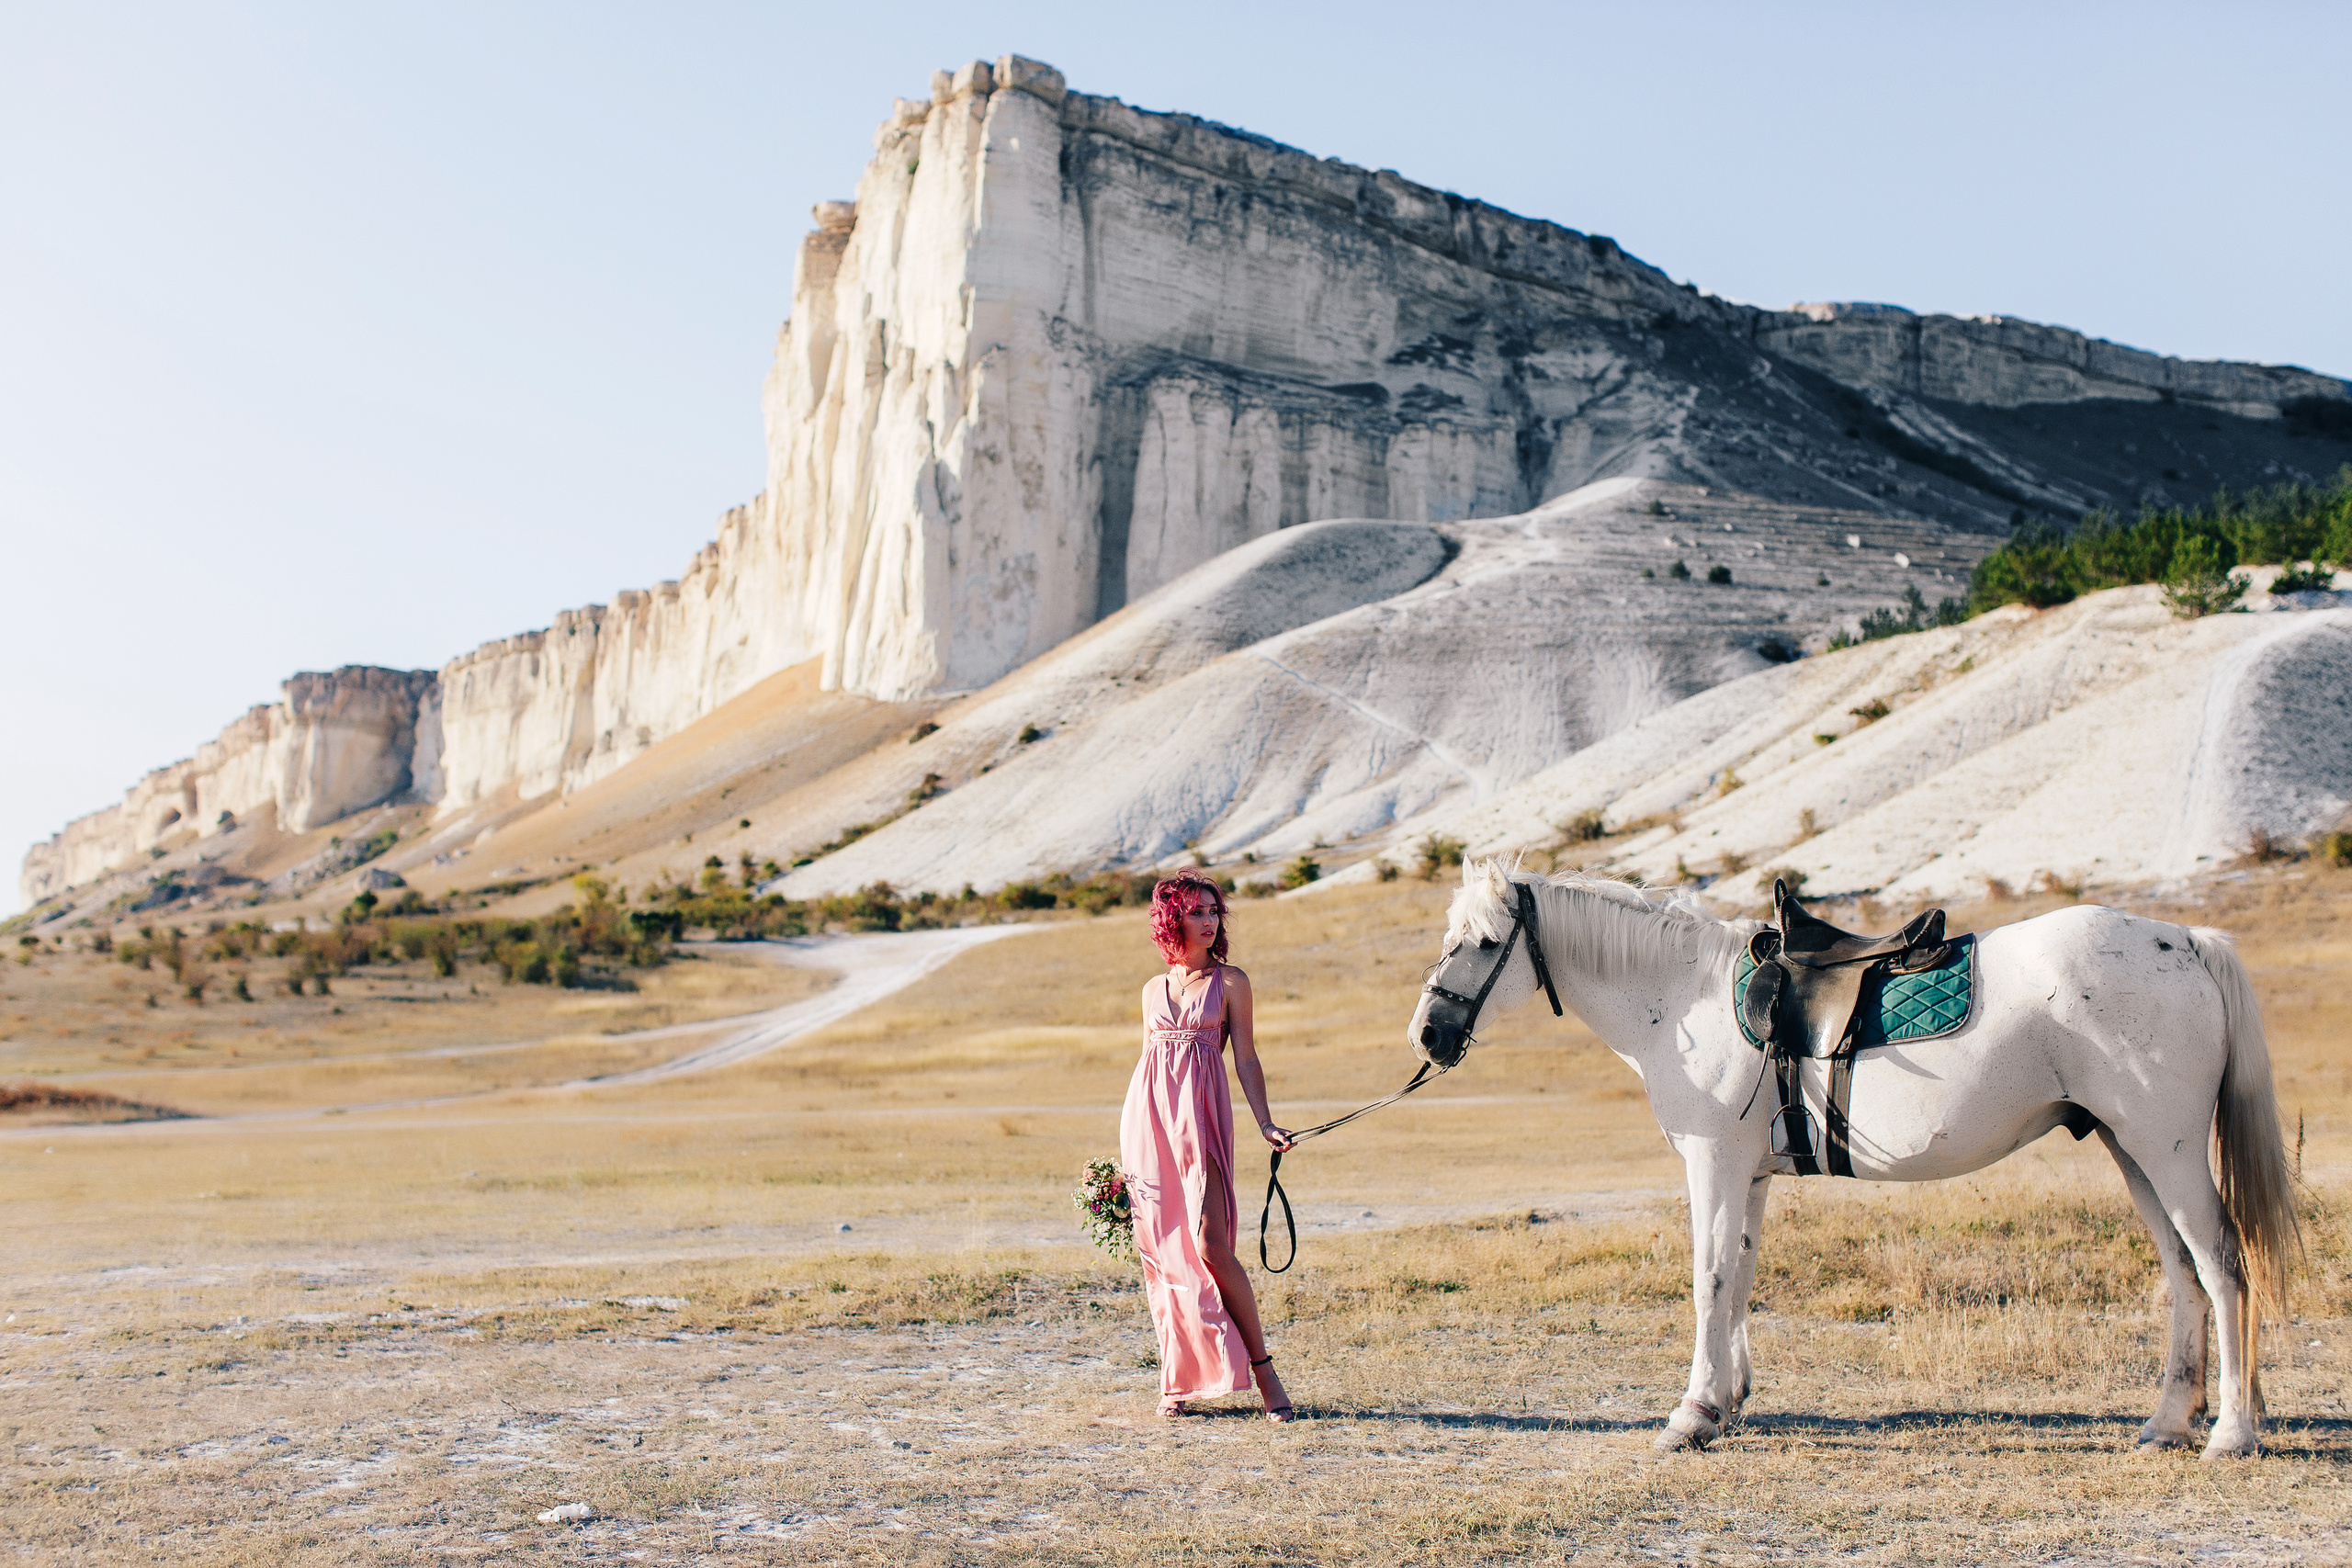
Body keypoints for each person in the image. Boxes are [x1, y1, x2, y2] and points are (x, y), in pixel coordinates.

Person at [1120, 870, 1296, 1421]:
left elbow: (1244, 1056)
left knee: (1211, 1246)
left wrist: (1266, 1122)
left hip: (1203, 1124)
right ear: (1172, 916)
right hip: (1148, 1126)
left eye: (1214, 911)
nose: (1209, 920)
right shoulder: (1153, 990)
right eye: (1196, 911)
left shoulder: (1232, 982)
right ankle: (1179, 1380)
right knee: (1163, 1251)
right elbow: (1150, 1069)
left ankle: (1266, 1377)